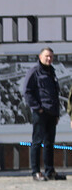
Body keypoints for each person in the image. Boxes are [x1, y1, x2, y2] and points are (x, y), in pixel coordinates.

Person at [22, 47, 66, 181]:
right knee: (37, 142)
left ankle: (49, 171)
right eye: (47, 56)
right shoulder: (34, 72)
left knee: (49, 143)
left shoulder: (52, 71)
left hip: (52, 113)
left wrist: (57, 113)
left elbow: (55, 93)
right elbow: (27, 91)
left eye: (51, 57)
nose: (49, 59)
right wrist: (37, 108)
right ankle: (36, 172)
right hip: (40, 113)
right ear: (40, 57)